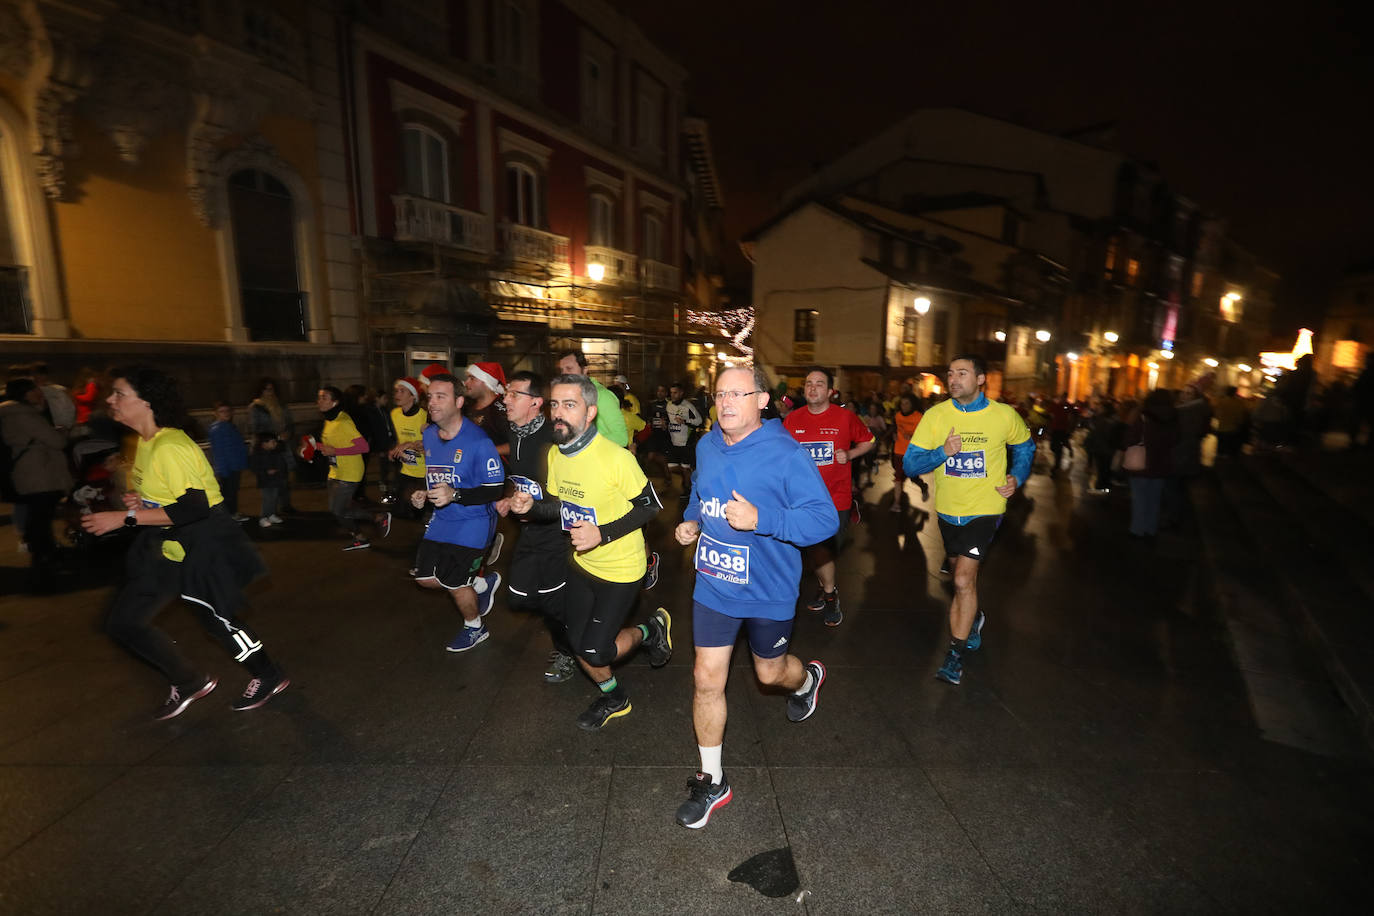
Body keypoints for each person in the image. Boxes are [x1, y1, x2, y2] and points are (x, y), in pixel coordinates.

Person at [672, 365, 837, 828]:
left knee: (770, 674)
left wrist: (762, 519)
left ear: (762, 401)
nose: (724, 403)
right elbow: (699, 494)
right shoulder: (706, 444)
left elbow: (824, 521)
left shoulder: (786, 454)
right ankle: (712, 780)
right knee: (707, 679)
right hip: (714, 583)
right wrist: (693, 520)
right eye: (719, 394)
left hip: (769, 590)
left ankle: (805, 680)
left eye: (737, 394)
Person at [80, 366, 288, 719]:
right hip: (166, 541)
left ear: (146, 402)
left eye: (119, 393)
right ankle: (189, 680)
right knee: (124, 621)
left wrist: (124, 517)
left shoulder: (170, 446)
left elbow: (194, 507)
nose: (110, 400)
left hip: (203, 538)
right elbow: (169, 500)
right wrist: (143, 504)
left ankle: (269, 674)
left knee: (215, 618)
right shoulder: (143, 443)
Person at [508, 374, 670, 729]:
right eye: (555, 404)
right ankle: (614, 696)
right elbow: (558, 506)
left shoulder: (615, 459)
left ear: (590, 412)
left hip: (622, 569)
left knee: (595, 650)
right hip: (581, 564)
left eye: (570, 405)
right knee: (576, 642)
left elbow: (650, 507)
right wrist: (529, 507)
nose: (559, 413)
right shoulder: (554, 454)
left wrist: (603, 534)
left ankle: (650, 630)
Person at [903, 355, 1035, 686]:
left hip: (987, 508)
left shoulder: (1004, 415)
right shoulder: (936, 416)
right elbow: (910, 464)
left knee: (961, 580)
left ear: (980, 379)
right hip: (948, 511)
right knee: (962, 578)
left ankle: (955, 656)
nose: (953, 378)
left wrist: (1016, 478)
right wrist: (942, 454)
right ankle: (973, 618)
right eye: (950, 373)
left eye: (962, 373)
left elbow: (1025, 448)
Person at [410, 373, 505, 650]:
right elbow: (436, 474)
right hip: (443, 519)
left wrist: (455, 494)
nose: (433, 402)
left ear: (459, 401)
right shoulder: (428, 434)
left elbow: (495, 488)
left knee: (453, 582)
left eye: (441, 396)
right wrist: (424, 493)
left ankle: (475, 628)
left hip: (474, 520)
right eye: (431, 396)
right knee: (425, 578)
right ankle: (480, 585)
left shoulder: (478, 442)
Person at [497, 370, 574, 681]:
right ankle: (578, 621)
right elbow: (522, 478)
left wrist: (537, 506)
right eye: (507, 393)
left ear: (536, 403)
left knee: (552, 601)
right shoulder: (515, 431)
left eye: (515, 394)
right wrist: (509, 498)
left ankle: (568, 651)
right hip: (529, 528)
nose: (507, 399)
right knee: (519, 598)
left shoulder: (553, 439)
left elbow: (568, 494)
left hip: (556, 531)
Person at [785, 367, 875, 626]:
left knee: (824, 551)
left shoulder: (845, 418)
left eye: (819, 384)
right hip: (800, 500)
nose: (813, 388)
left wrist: (850, 455)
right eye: (808, 383)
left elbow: (869, 441)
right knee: (814, 551)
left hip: (835, 499)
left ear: (830, 391)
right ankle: (827, 590)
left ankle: (829, 593)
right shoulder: (793, 420)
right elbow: (780, 453)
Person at [1, 378, 72, 589]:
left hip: (27, 472)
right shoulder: (24, 414)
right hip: (40, 473)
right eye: (34, 390)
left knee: (37, 517)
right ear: (24, 393)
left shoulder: (9, 413)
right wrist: (62, 431)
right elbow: (57, 441)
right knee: (41, 518)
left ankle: (43, 557)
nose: (39, 392)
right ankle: (44, 561)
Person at [316, 386, 390, 551]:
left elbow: (363, 447)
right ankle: (363, 534)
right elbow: (332, 445)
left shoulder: (343, 422)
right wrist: (314, 446)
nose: (319, 401)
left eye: (324, 398)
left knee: (338, 511)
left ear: (334, 402)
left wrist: (335, 451)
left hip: (350, 473)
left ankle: (374, 521)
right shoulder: (329, 420)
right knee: (337, 510)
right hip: (335, 470)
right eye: (319, 397)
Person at [1125, 388, 1178, 538]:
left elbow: (1131, 438)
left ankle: (1137, 529)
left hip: (1141, 462)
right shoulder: (1173, 416)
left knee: (1139, 498)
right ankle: (1150, 529)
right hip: (1161, 463)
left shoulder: (1142, 415)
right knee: (1155, 499)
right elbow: (1176, 439)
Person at [249, 379, 296, 513]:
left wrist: (288, 433)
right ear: (261, 391)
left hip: (281, 445)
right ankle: (269, 511)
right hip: (267, 447)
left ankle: (286, 506)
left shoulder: (281, 405)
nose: (270, 392)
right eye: (267, 389)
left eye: (272, 389)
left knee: (284, 476)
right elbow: (255, 428)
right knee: (271, 479)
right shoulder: (256, 407)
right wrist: (273, 437)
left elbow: (290, 423)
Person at [387, 377, 428, 517]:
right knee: (401, 510)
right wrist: (394, 449)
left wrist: (410, 444)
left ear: (413, 396)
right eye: (396, 391)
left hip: (424, 471)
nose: (397, 394)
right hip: (405, 468)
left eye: (402, 391)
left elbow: (430, 444)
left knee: (418, 510)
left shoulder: (424, 417)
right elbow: (398, 438)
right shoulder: (394, 414)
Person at [207, 401, 250, 522]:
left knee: (232, 492)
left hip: (233, 465)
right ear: (215, 413)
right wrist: (222, 470)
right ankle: (229, 516)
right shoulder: (219, 429)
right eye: (222, 411)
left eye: (227, 411)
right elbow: (219, 452)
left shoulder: (228, 426)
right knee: (228, 493)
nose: (225, 413)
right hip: (228, 467)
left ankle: (232, 513)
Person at [664, 381, 704, 495]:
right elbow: (669, 419)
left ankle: (687, 490)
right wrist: (665, 423)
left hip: (686, 442)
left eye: (675, 393)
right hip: (673, 441)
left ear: (681, 393)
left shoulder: (688, 406)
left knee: (685, 467)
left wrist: (685, 421)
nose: (672, 395)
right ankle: (688, 474)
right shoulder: (669, 405)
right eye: (671, 393)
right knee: (671, 467)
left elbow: (699, 421)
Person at [889, 392, 927, 512]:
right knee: (898, 477)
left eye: (907, 404)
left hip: (912, 453)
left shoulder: (919, 417)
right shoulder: (898, 415)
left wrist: (913, 437)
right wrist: (894, 434)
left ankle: (923, 486)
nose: (904, 406)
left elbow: (926, 434)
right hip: (898, 451)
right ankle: (896, 504)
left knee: (912, 477)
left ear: (912, 405)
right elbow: (894, 427)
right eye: (902, 404)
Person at [464, 361, 511, 456]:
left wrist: (485, 451)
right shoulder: (466, 407)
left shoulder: (502, 410)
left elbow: (518, 444)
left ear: (487, 383)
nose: (466, 382)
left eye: (472, 378)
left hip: (497, 468)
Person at [250, 429, 288, 527]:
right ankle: (263, 517)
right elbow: (254, 468)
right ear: (264, 443)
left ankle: (271, 514)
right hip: (265, 481)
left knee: (274, 498)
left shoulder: (274, 451)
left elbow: (282, 452)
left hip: (275, 479)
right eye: (273, 442)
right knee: (267, 499)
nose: (275, 444)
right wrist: (265, 472)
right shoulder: (257, 454)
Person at [30, 362, 76, 431]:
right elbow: (71, 409)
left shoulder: (35, 391)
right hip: (59, 426)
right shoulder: (60, 390)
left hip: (46, 426)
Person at [1213, 386, 1249, 459]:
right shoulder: (1238, 403)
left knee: (1220, 446)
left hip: (1221, 427)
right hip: (1232, 429)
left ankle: (1218, 461)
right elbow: (1240, 417)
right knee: (1228, 447)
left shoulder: (1222, 401)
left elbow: (1217, 415)